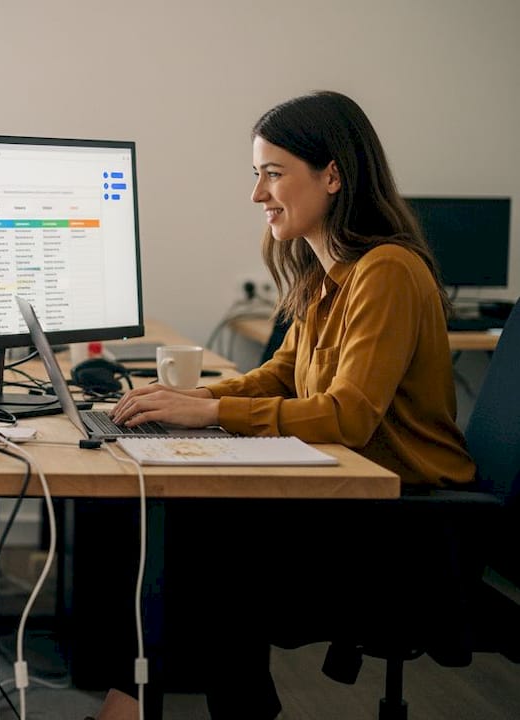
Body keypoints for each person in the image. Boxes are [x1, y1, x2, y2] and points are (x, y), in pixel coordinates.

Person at [90, 91, 476, 720]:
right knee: (171, 521)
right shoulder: (330, 275)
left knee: (198, 539)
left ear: (333, 175)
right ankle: (139, 704)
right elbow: (281, 374)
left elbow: (348, 416)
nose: (258, 194)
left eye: (274, 174)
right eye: (256, 174)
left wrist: (211, 415)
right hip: (353, 496)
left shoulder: (387, 272)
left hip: (404, 520)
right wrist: (191, 398)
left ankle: (140, 707)